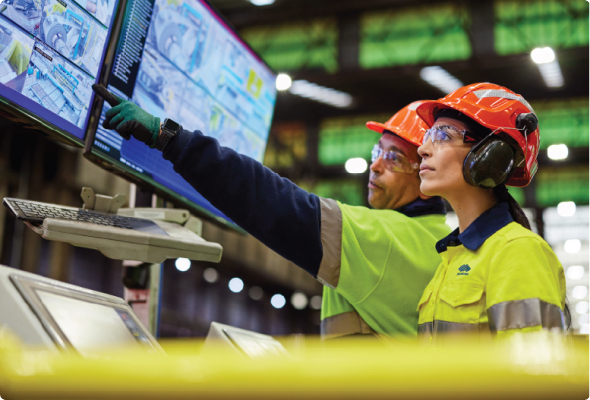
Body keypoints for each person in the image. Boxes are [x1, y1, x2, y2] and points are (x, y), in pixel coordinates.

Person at [92, 85, 451, 339]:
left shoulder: (387, 238)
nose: (375, 167)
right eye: (378, 153)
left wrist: (169, 138)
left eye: (394, 158)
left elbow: (271, 202)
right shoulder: (441, 239)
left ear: (425, 172)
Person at [414, 82, 568, 343]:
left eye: (443, 136)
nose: (422, 149)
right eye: (428, 136)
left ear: (490, 156)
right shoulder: (452, 258)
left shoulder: (518, 253)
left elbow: (537, 374)